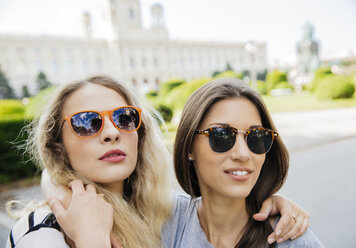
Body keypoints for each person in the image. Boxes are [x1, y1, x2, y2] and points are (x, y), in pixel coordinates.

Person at [7, 76, 309, 248]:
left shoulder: (158, 215)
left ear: (140, 134)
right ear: (57, 145)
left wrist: (268, 200)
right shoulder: (43, 233)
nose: (112, 133)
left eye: (125, 118)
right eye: (87, 123)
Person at [163, 78, 324, 247]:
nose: (243, 154)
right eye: (221, 135)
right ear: (189, 147)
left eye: (256, 137)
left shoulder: (292, 239)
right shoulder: (166, 220)